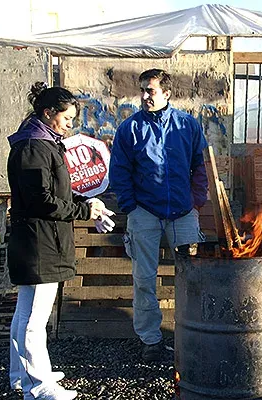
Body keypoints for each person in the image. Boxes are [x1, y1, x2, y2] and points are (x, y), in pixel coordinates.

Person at [7, 83, 109, 400]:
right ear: (48, 113)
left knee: (24, 316)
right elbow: (43, 201)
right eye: (67, 118)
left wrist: (89, 204)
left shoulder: (43, 143)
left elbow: (57, 192)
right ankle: (39, 387)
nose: (70, 125)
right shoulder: (34, 148)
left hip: (41, 239)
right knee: (34, 320)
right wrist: (83, 209)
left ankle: (22, 376)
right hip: (40, 242)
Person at [109, 69, 208, 362]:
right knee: (143, 278)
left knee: (192, 277)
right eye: (142, 90)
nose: (144, 96)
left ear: (166, 93)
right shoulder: (130, 128)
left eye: (150, 91)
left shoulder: (187, 126)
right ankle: (150, 340)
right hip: (145, 213)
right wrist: (130, 206)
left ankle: (192, 334)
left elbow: (199, 166)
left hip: (182, 213)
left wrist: (196, 202)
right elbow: (120, 171)